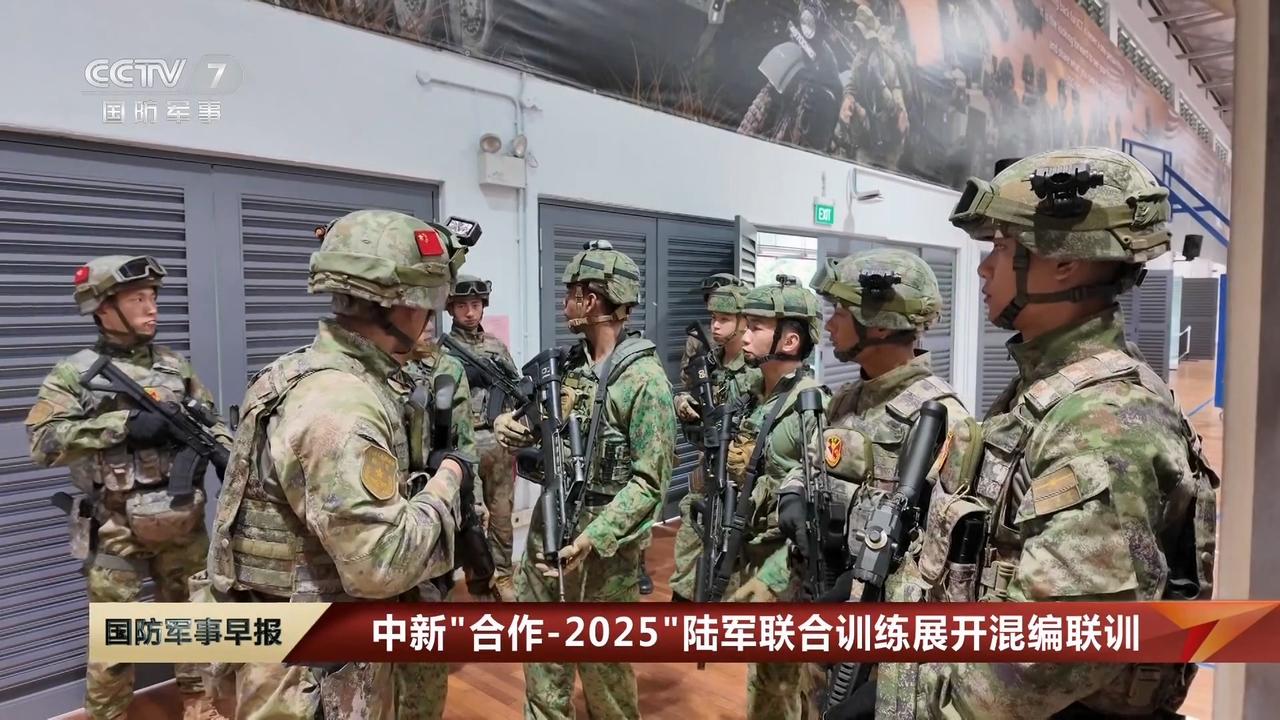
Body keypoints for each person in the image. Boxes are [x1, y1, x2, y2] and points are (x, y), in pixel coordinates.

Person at [860, 147, 1219, 717]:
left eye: (1001, 248)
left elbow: (1045, 659)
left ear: (1064, 262)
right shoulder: (1047, 390)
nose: (984, 269)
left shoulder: (1101, 422)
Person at [197, 209, 476, 719]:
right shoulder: (342, 405)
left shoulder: (297, 371)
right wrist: (448, 479)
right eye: (427, 302)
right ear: (401, 304)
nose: (431, 317)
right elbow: (381, 565)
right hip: (311, 676)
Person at [26, 255, 230, 720]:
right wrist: (122, 425)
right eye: (138, 298)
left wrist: (224, 453)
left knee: (193, 624)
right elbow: (42, 443)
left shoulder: (174, 366)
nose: (152, 307)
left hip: (184, 521)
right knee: (115, 639)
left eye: (153, 297)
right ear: (102, 307)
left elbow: (210, 419)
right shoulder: (74, 374)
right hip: (116, 526)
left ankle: (200, 705)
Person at [775, 248, 973, 717]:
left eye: (840, 313)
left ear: (879, 326)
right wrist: (794, 493)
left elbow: (946, 565)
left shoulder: (943, 419)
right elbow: (811, 464)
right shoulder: (847, 399)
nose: (829, 326)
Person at [494, 239, 676, 720]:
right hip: (548, 531)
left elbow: (649, 484)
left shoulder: (645, 381)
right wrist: (510, 425)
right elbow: (537, 423)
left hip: (605, 553)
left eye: (571, 293)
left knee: (605, 677)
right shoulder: (564, 368)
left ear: (592, 300)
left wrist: (593, 537)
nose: (565, 304)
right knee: (542, 664)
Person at [720, 275, 828, 720]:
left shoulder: (810, 406)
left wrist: (775, 578)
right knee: (767, 677)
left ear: (789, 339)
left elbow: (817, 514)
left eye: (756, 326)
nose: (744, 335)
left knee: (778, 685)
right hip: (749, 553)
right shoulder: (750, 395)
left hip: (785, 570)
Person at [399, 311, 480, 719]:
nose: (427, 324)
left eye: (430, 314)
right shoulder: (376, 369)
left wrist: (471, 507)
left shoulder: (448, 370)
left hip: (433, 509)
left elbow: (464, 448)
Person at [669, 273, 758, 603]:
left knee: (729, 559)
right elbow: (689, 393)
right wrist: (682, 402)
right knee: (690, 547)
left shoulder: (756, 370)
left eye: (724, 319)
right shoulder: (708, 362)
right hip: (706, 470)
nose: (715, 326)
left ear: (744, 321)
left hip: (740, 479)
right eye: (713, 319)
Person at [441, 274, 518, 601]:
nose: (470, 312)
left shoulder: (496, 347)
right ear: (450, 309)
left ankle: (504, 576)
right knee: (471, 520)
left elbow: (515, 389)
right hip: (465, 445)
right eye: (462, 306)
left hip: (499, 444)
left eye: (475, 304)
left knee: (502, 516)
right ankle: (479, 583)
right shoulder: (443, 350)